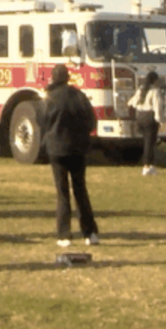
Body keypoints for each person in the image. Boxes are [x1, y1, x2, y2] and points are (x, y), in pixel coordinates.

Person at [42, 63, 100, 247]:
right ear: (67, 77)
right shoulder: (79, 95)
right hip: (78, 148)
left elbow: (42, 122)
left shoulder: (49, 98)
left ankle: (64, 234)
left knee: (62, 192)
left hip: (57, 149)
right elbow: (91, 121)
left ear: (53, 78)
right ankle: (90, 233)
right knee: (80, 190)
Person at [131, 70, 165, 176]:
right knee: (149, 143)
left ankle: (150, 166)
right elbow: (157, 106)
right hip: (149, 117)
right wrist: (159, 120)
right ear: (154, 80)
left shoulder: (141, 89)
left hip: (140, 116)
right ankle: (146, 166)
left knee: (146, 142)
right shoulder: (155, 91)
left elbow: (133, 102)